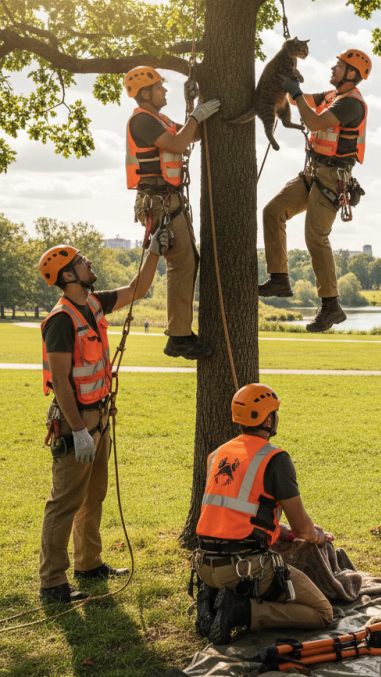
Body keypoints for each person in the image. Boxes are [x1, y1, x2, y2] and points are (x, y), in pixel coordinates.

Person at [38, 234, 168, 603]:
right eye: (82, 261)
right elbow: (61, 380)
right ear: (67, 276)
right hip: (75, 422)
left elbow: (137, 289)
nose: (89, 263)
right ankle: (52, 583)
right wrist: (78, 431)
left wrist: (154, 250)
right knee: (64, 501)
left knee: (94, 495)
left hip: (99, 418)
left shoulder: (93, 303)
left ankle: (89, 563)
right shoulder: (61, 320)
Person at [194, 383, 334, 645]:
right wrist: (318, 537)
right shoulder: (276, 459)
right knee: (322, 612)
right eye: (276, 413)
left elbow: (231, 514)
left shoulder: (216, 455)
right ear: (269, 419)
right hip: (243, 568)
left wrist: (277, 529)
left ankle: (210, 598)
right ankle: (242, 611)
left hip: (204, 565)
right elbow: (303, 529)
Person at [259, 50, 371, 333]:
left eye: (340, 66)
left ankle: (331, 305)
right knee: (273, 212)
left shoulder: (352, 104)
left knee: (315, 236)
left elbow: (314, 121)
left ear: (351, 74)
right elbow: (306, 101)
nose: (333, 68)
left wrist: (295, 94)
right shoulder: (331, 97)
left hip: (333, 178)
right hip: (312, 172)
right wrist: (284, 82)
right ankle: (279, 278)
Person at [124, 66, 221, 359]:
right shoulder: (142, 121)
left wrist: (194, 108)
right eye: (159, 87)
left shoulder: (159, 119)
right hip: (158, 201)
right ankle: (178, 337)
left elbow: (192, 135)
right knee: (182, 262)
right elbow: (179, 142)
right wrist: (194, 116)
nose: (164, 91)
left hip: (166, 200)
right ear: (145, 93)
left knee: (187, 260)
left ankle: (180, 334)